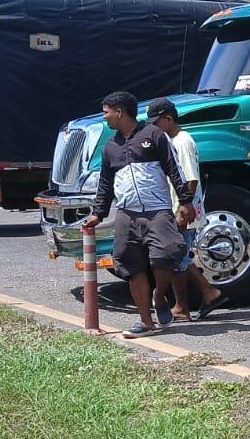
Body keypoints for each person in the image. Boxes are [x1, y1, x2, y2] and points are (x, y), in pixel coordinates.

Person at [82, 91, 193, 338]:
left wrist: (185, 201)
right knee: (130, 265)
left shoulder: (153, 135)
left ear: (119, 112)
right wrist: (98, 214)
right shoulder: (111, 146)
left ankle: (159, 296)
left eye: (107, 112)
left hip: (157, 211)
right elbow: (105, 183)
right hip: (126, 214)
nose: (105, 117)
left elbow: (173, 168)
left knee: (167, 252)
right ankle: (146, 322)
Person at [146, 98, 227, 322]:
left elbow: (190, 179)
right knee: (178, 257)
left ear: (169, 119)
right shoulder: (172, 140)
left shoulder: (181, 142)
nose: (154, 127)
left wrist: (184, 207)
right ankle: (208, 293)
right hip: (177, 207)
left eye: (157, 122)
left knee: (177, 259)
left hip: (184, 209)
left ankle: (183, 307)